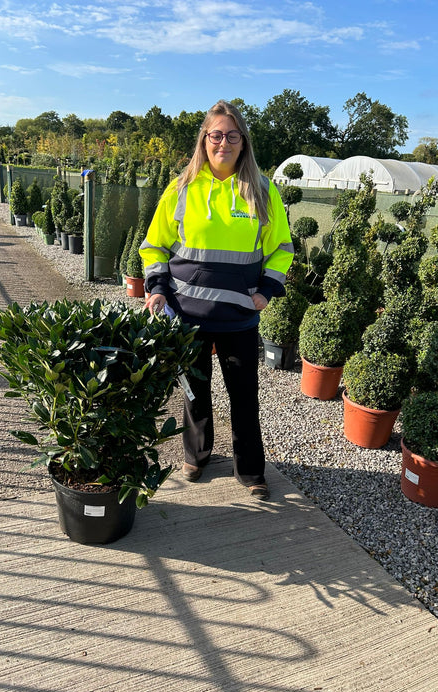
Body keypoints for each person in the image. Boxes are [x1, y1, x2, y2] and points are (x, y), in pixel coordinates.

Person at [139, 99, 294, 501]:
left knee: (244, 397)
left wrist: (264, 294)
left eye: (232, 135)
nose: (223, 142)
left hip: (239, 318)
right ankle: (197, 454)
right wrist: (157, 289)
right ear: (204, 140)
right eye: (216, 135)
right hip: (187, 316)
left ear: (243, 143)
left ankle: (250, 469)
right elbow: (154, 246)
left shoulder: (261, 191)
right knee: (195, 392)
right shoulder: (181, 189)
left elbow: (281, 249)